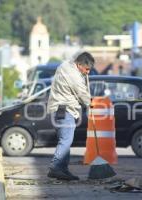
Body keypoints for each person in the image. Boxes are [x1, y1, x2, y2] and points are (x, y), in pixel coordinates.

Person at [47, 52, 94, 180]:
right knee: (66, 141)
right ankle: (55, 167)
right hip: (64, 110)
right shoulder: (73, 75)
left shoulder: (65, 66)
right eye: (87, 69)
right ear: (79, 65)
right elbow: (83, 94)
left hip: (59, 109)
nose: (88, 72)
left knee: (66, 140)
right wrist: (91, 104)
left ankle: (63, 170)